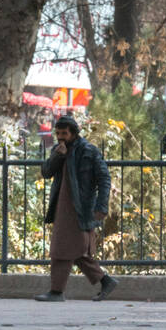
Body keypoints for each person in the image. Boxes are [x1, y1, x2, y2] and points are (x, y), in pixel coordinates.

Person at [35, 114, 117, 302]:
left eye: (64, 133)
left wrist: (101, 206)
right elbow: (46, 172)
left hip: (81, 208)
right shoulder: (58, 149)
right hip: (62, 208)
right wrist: (58, 155)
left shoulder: (89, 151)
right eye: (58, 133)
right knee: (64, 249)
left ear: (74, 133)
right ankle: (102, 282)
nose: (60, 137)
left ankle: (59, 291)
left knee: (74, 249)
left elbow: (104, 178)